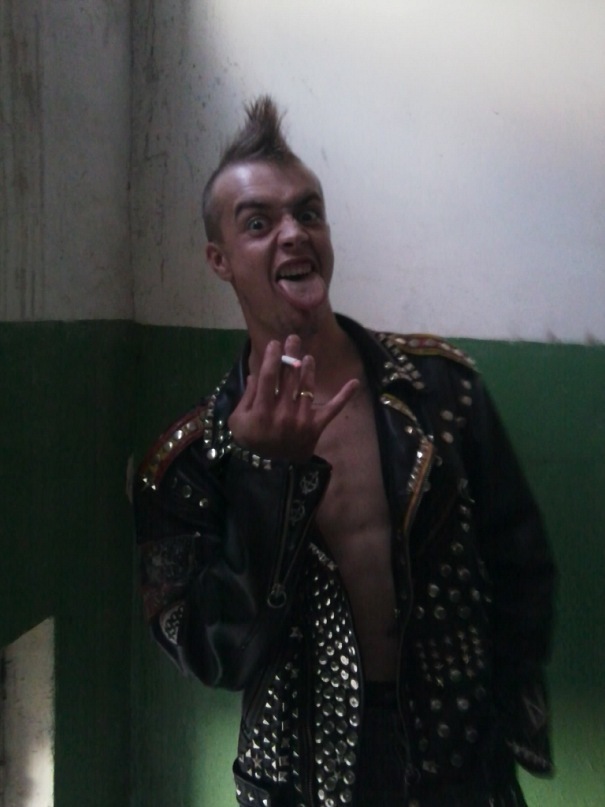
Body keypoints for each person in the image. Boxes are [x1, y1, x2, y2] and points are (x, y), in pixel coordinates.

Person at [134, 96, 555, 806]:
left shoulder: (442, 392)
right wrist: (267, 477)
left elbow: (522, 566)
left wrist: (492, 715)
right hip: (301, 777)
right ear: (219, 259)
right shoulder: (191, 462)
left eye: (309, 213)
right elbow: (213, 655)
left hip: (457, 760)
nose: (293, 234)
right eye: (258, 223)